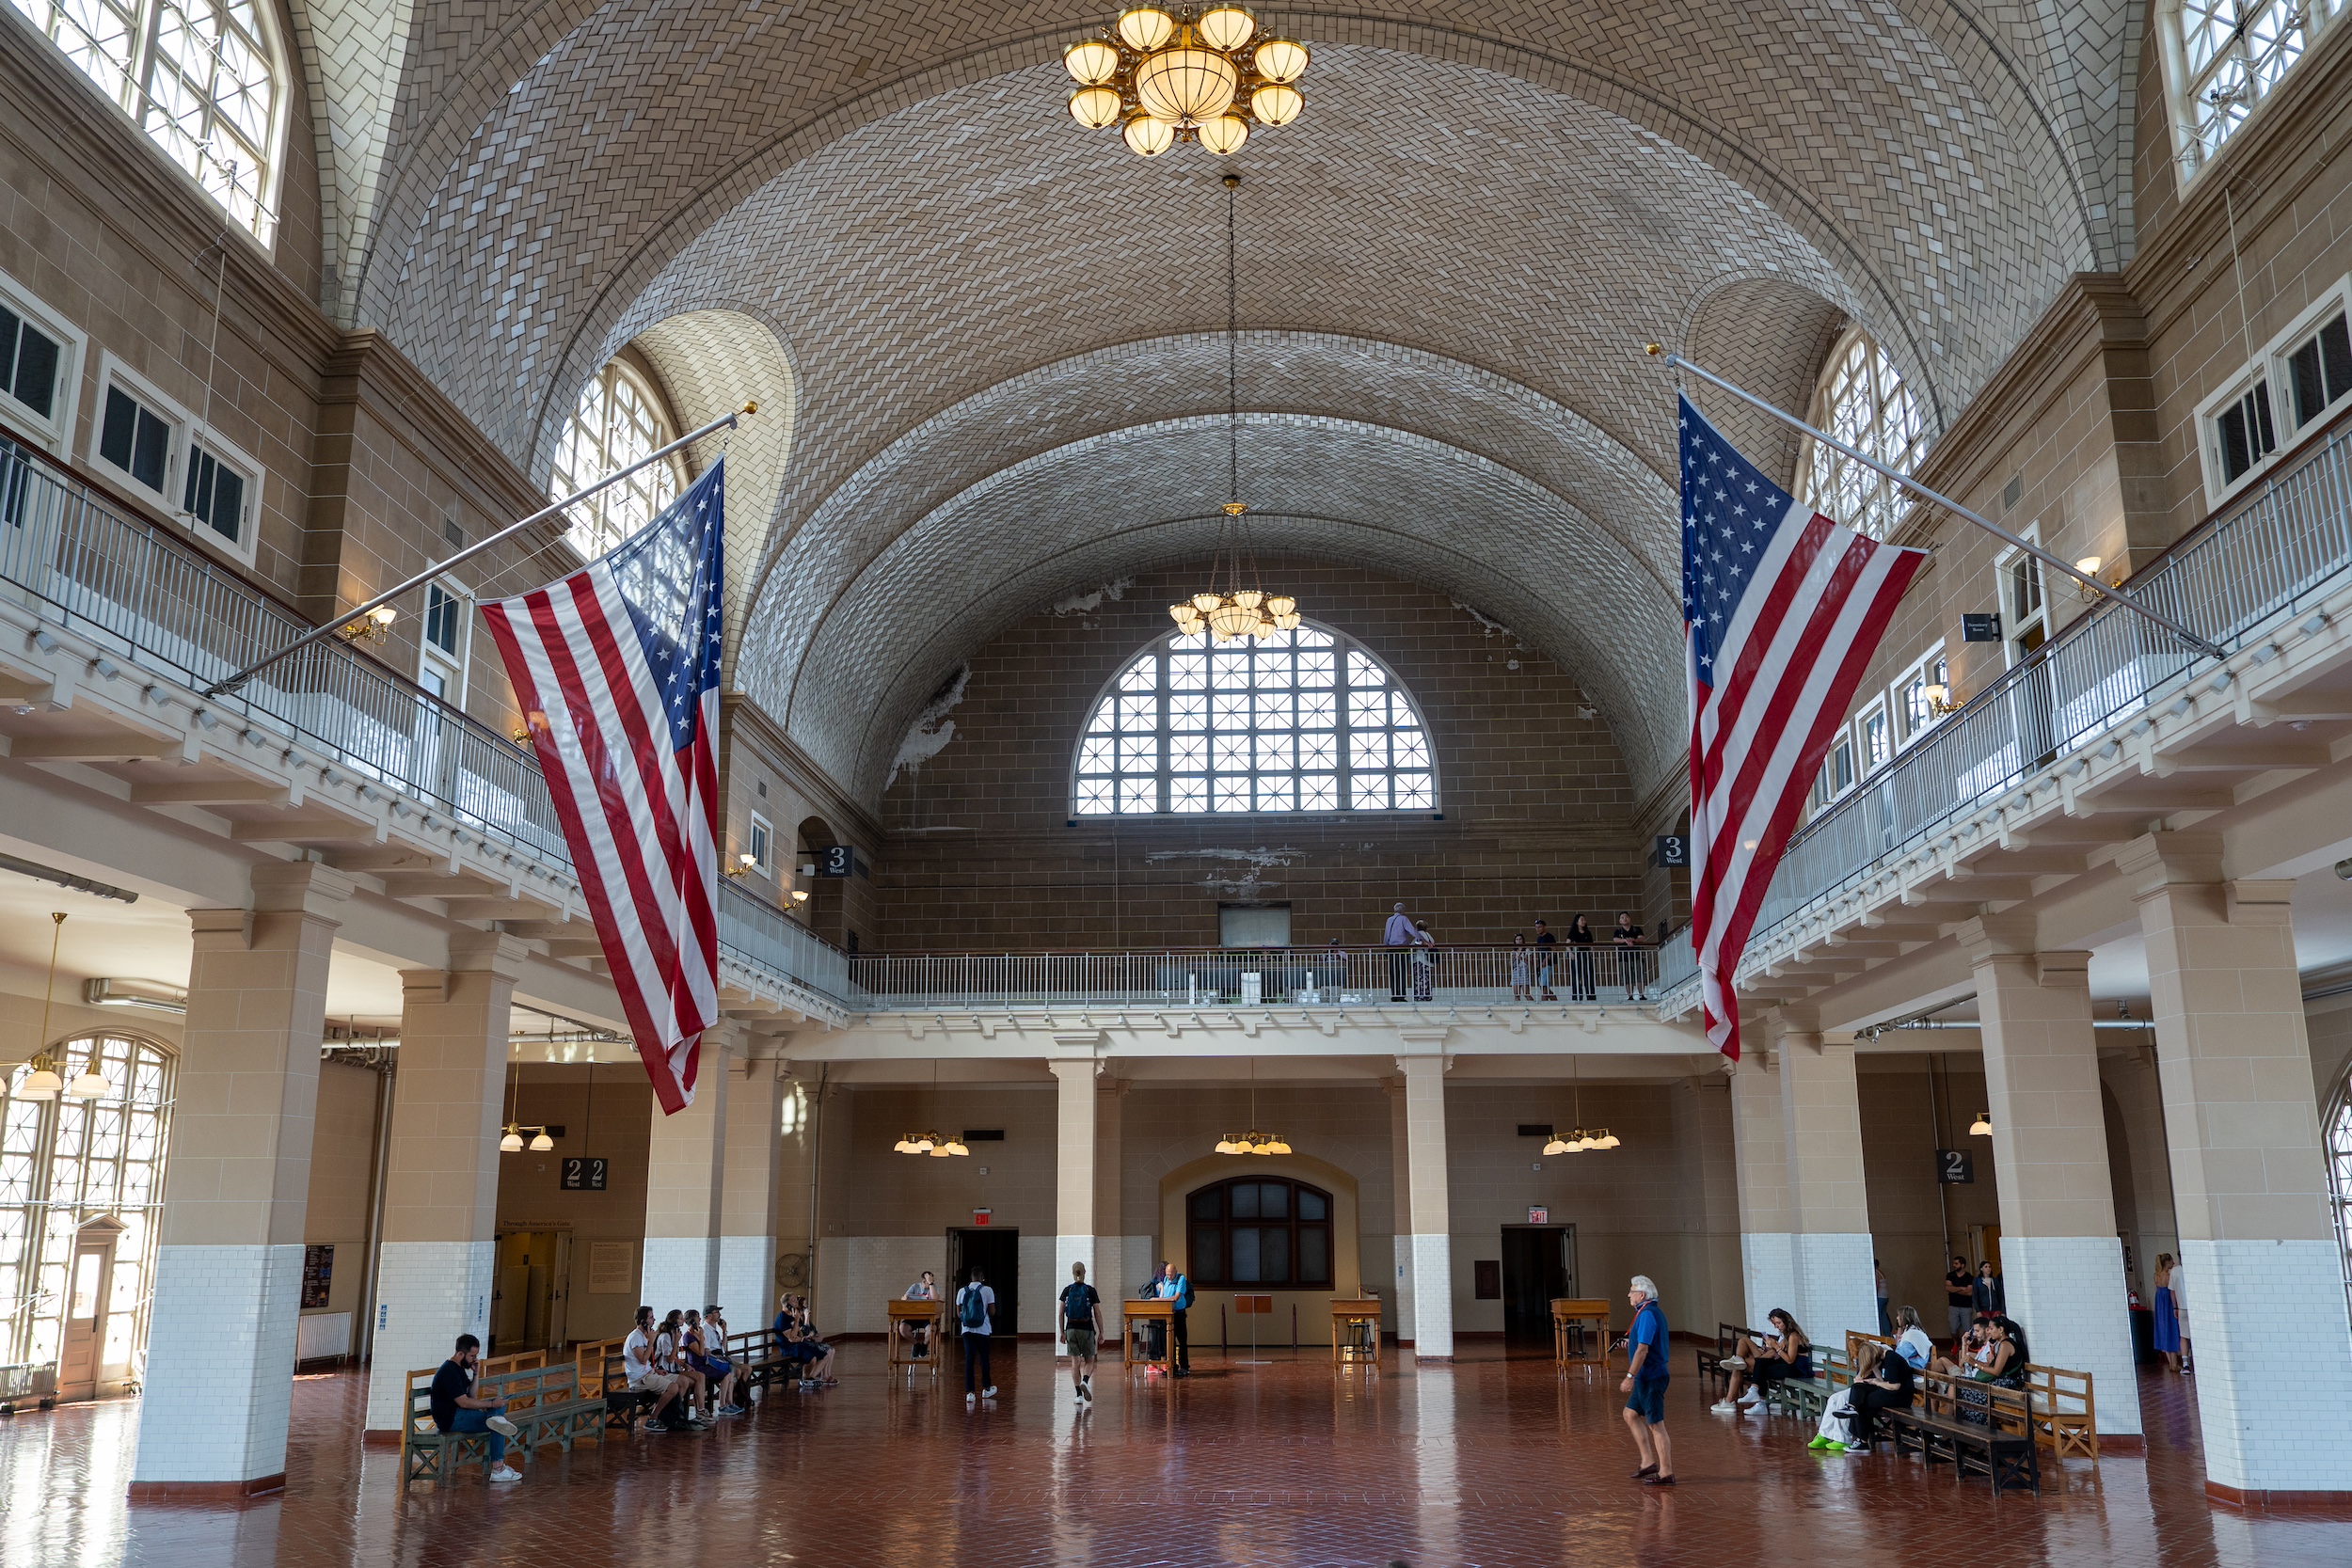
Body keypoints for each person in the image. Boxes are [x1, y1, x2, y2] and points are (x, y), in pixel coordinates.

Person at [431, 1332, 523, 1481]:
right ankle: (498, 1469)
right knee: (498, 1424)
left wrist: (476, 1374)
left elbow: (472, 1396)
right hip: (450, 1419)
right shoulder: (449, 1371)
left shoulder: (459, 1368)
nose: (475, 1359)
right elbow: (464, 1402)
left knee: (497, 1417)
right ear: (461, 1353)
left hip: (459, 1414)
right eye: (472, 1356)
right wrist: (492, 1405)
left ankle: (495, 1419)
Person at [1620, 1275, 1672, 1485]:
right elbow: (1639, 1343)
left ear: (1641, 1295)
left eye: (1631, 1292)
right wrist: (1629, 1344)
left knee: (1655, 1425)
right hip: (1645, 1377)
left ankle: (1666, 1473)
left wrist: (1630, 1376)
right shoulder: (1645, 1313)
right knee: (1630, 1414)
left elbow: (1643, 1349)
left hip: (1651, 1377)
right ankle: (1648, 1462)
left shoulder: (1648, 1314)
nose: (1629, 1295)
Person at [1821, 1340, 1915, 1451]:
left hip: (1900, 1396)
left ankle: (1862, 1441)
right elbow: (1882, 1379)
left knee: (1863, 1403)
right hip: (1889, 1391)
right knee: (1858, 1387)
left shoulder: (1891, 1358)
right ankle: (1851, 1407)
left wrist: (1876, 1382)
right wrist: (1874, 1374)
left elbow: (1895, 1386)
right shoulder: (1881, 1359)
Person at [1712, 1308, 1810, 1413]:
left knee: (1759, 1368)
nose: (1776, 1326)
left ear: (1786, 1321)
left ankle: (1754, 1398)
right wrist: (1769, 1349)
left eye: (1778, 1323)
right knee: (1756, 1361)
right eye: (1774, 1324)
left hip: (1796, 1368)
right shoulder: (1786, 1335)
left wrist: (1775, 1347)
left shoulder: (1793, 1336)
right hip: (1786, 1363)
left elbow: (1790, 1360)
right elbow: (1779, 1352)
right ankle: (1754, 1393)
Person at [624, 1305, 688, 1433]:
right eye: (651, 1317)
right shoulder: (635, 1337)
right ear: (643, 1321)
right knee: (673, 1387)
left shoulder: (644, 1336)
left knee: (683, 1381)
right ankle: (652, 1418)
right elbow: (642, 1359)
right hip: (639, 1379)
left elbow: (645, 1361)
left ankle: (673, 1415)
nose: (654, 1320)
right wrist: (651, 1341)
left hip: (649, 1374)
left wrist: (655, 1370)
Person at [1060, 1260, 1104, 1402]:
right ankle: (1085, 1380)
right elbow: (1097, 1312)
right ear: (1084, 1273)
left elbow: (1061, 1313)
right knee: (1090, 1359)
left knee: (1075, 1362)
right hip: (1086, 1330)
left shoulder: (1067, 1290)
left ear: (1073, 1273)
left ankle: (1078, 1395)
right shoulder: (1090, 1290)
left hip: (1071, 1329)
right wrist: (1101, 1331)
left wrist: (1062, 1332)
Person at [685, 1308, 741, 1417]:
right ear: (692, 1320)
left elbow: (723, 1348)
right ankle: (722, 1405)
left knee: (730, 1374)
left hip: (705, 1363)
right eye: (697, 1318)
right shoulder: (689, 1336)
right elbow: (701, 1353)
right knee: (727, 1374)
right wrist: (701, 1337)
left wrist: (724, 1331)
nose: (700, 1319)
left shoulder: (698, 1333)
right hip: (699, 1365)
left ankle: (728, 1404)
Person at [958, 1266, 998, 1403]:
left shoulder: (962, 1291)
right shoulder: (988, 1290)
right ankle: (986, 1389)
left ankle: (970, 1392)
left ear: (971, 1277)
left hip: (967, 1330)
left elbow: (959, 1313)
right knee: (984, 1359)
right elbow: (992, 1311)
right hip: (983, 1329)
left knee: (969, 1359)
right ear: (982, 1278)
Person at [1162, 1258, 1194, 1377]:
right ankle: (1172, 1366)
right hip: (1168, 1314)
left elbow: (1176, 1298)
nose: (1169, 1277)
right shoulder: (1165, 1279)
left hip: (1179, 1313)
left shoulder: (1181, 1279)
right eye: (1167, 1274)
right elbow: (1164, 1293)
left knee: (1182, 1341)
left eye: (1171, 1274)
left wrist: (1159, 1300)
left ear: (1175, 1272)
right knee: (1169, 1342)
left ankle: (1184, 1367)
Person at [2152, 1253, 2182, 1372]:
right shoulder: (2168, 1276)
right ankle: (2175, 1364)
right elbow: (2172, 1291)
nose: (2173, 1262)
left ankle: (2171, 1363)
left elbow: (2157, 1289)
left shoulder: (2156, 1276)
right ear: (2167, 1262)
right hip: (2168, 1303)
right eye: (2171, 1261)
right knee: (2172, 1330)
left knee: (2164, 1331)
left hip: (2160, 1304)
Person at [900, 1270, 940, 1360]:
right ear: (923, 1281)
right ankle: (916, 1344)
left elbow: (935, 1298)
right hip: (913, 1316)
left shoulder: (933, 1287)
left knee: (932, 1329)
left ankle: (925, 1345)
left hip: (927, 1318)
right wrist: (905, 1298)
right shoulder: (915, 1286)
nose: (932, 1282)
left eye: (932, 1280)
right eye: (930, 1280)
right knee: (902, 1328)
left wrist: (931, 1284)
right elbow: (903, 1297)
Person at [1610, 911, 1647, 1000]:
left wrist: (1633, 940)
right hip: (1624, 957)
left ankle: (1641, 994)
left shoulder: (1636, 929)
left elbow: (1641, 937)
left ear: (1629, 918)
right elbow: (1615, 939)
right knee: (1626, 976)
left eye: (1626, 917)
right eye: (1622, 917)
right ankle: (1630, 995)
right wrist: (1625, 941)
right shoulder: (1618, 931)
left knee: (1639, 975)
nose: (1625, 919)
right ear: (1620, 921)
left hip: (1636, 956)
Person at [1383, 902, 1415, 1001]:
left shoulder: (1389, 920)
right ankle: (1401, 994)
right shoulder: (1403, 919)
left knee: (1393, 972)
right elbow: (1412, 931)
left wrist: (1386, 946)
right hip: (1402, 948)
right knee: (1402, 971)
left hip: (1391, 949)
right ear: (1403, 910)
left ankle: (1394, 994)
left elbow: (1386, 935)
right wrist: (1423, 940)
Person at [1891, 1305, 1933, 1372]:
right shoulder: (1914, 1331)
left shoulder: (1911, 1335)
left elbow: (1900, 1356)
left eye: (1899, 1316)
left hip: (1913, 1369)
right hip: (1913, 1366)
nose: (1897, 1318)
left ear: (1904, 1318)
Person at [1945, 1254, 1975, 1344]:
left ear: (1962, 1265)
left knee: (1967, 1329)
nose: (1954, 1265)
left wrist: (1954, 1289)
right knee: (1953, 1327)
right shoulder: (1950, 1275)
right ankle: (1956, 1342)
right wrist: (1962, 1288)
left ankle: (1966, 1346)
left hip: (1966, 1306)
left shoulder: (1969, 1277)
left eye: (1956, 1263)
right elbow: (1948, 1288)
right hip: (1953, 1306)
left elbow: (1969, 1292)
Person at [1566, 914, 1597, 1002]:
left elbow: (1591, 944)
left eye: (1584, 920)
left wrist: (1591, 951)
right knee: (1576, 977)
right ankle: (1577, 997)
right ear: (1577, 922)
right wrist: (1571, 953)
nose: (1583, 921)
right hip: (1577, 956)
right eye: (1581, 920)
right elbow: (1567, 944)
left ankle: (1591, 997)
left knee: (1589, 976)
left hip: (1586, 956)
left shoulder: (1588, 932)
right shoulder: (1573, 932)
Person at [1533, 918, 1558, 1001]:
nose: (1538, 929)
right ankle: (1555, 1002)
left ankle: (1543, 1004)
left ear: (1544, 927)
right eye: (1536, 927)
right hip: (1541, 965)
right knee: (1543, 987)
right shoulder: (1539, 938)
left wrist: (1546, 959)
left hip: (1547, 964)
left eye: (1539, 927)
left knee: (1544, 987)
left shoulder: (1549, 937)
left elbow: (1554, 950)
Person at [1410, 922, 1436, 1002]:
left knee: (1419, 979)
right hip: (1427, 961)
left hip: (1419, 960)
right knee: (1427, 979)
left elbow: (1413, 945)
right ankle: (1427, 996)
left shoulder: (1418, 935)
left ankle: (1419, 996)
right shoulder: (1428, 935)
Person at [1509, 932, 1532, 1001]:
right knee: (1516, 994)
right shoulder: (1513, 952)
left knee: (1526, 993)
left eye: (1520, 939)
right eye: (1517, 939)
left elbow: (1530, 962)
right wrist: (1512, 959)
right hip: (1516, 970)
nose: (1519, 941)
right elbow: (1510, 965)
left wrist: (1521, 958)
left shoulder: (1527, 950)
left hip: (1524, 970)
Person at [1875, 1259, 1890, 1337]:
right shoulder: (1881, 1272)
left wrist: (1874, 1295)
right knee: (1883, 1316)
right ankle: (1887, 1335)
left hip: (1879, 1297)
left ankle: (1879, 1335)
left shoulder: (1876, 1273)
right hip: (1885, 1296)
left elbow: (1876, 1285)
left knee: (1878, 1317)